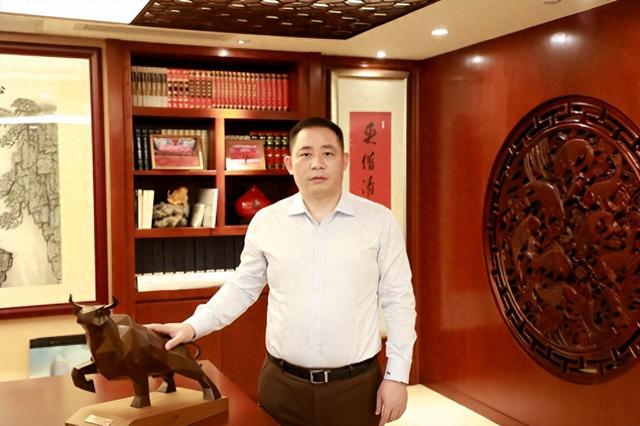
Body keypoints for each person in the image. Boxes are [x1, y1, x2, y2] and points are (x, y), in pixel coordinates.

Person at [147, 116, 417, 426]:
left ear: (344, 161)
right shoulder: (267, 222)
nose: (317, 163)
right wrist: (192, 326)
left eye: (328, 153)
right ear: (289, 163)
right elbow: (242, 288)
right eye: (306, 154)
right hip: (282, 386)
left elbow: (399, 301)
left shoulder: (379, 222)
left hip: (356, 388)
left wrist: (397, 376)